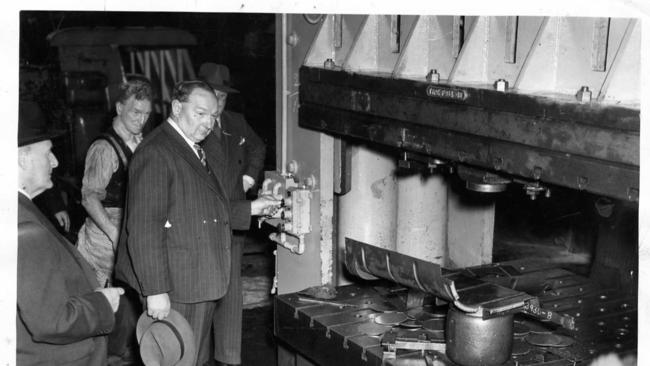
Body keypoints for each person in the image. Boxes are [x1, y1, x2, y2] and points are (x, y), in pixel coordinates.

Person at [114, 80, 280, 366]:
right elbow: (144, 229)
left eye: (213, 116)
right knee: (176, 361)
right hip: (176, 286)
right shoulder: (157, 151)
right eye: (200, 113)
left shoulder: (194, 147)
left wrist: (252, 208)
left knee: (194, 359)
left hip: (196, 280)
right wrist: (155, 291)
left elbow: (202, 207)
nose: (208, 123)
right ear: (177, 108)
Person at [17, 100, 124, 365]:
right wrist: (103, 303)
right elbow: (52, 321)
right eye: (48, 153)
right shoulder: (25, 228)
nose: (54, 162)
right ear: (22, 158)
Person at [198, 62, 266, 366]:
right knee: (202, 291)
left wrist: (249, 178)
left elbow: (258, 147)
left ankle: (228, 357)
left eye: (223, 97)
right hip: (202, 223)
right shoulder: (193, 128)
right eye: (213, 95)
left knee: (231, 290)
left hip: (235, 219)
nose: (219, 102)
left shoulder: (235, 122)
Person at [76, 77, 153, 287]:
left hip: (131, 229)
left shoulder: (139, 141)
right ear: (119, 108)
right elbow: (89, 198)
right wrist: (114, 235)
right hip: (105, 238)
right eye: (136, 112)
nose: (141, 120)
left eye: (146, 114)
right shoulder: (104, 149)